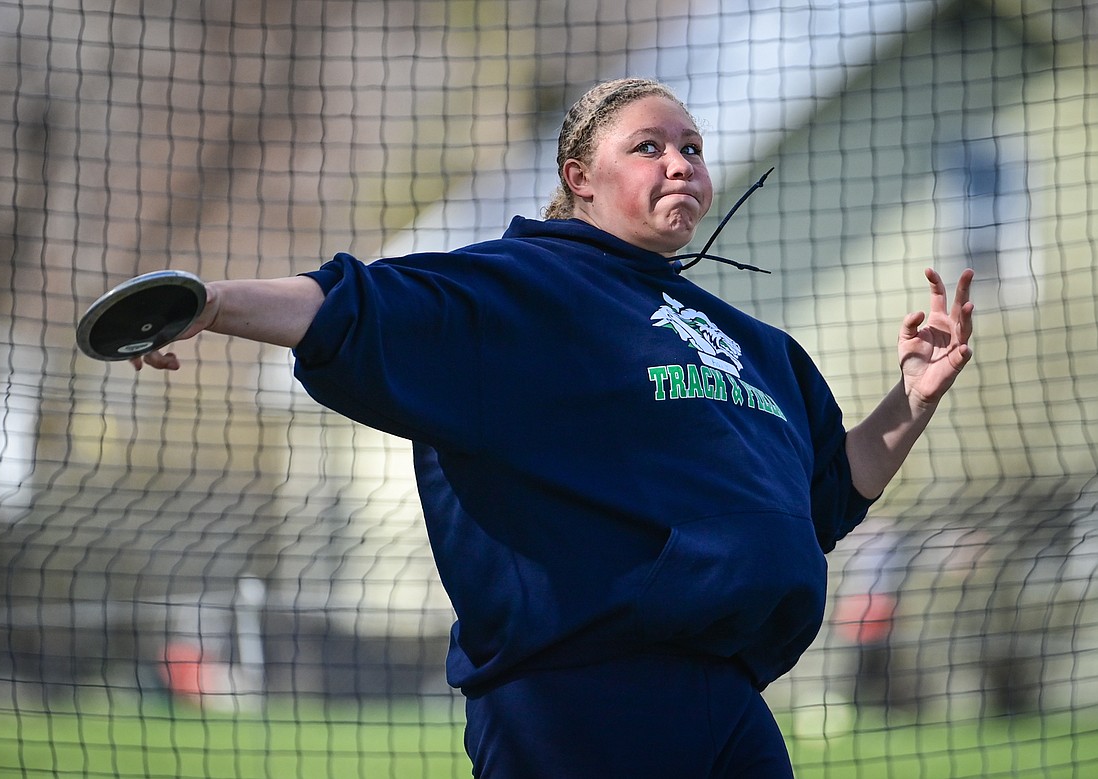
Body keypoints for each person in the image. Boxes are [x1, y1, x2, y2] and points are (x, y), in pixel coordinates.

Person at [132, 78, 974, 777]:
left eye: (692, 147)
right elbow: (354, 305)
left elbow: (827, 494)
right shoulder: (523, 291)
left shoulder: (758, 346)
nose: (680, 161)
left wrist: (912, 399)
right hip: (575, 710)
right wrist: (209, 303)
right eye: (649, 146)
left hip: (733, 706)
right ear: (580, 176)